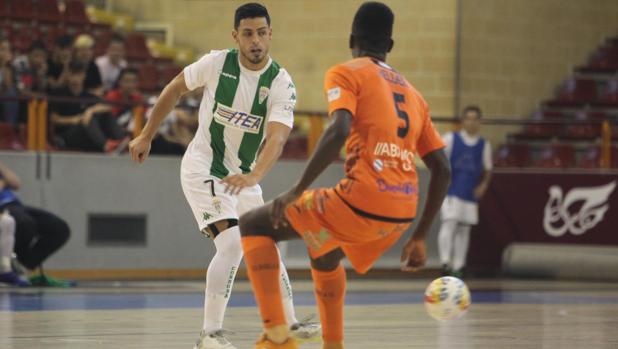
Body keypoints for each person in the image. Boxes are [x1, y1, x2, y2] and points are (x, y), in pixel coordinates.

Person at [237, 2, 451, 348]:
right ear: (390, 47)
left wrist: (297, 189)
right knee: (325, 250)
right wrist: (420, 236)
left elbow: (338, 131)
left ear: (351, 39)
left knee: (253, 224)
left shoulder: (346, 72)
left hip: (362, 200)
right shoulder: (415, 96)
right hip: (400, 215)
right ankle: (333, 344)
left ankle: (277, 335)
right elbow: (442, 168)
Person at [129, 3, 321, 349]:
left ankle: (289, 323)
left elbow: (277, 137)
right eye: (248, 34)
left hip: (243, 178)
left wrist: (255, 175)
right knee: (232, 245)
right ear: (236, 37)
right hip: (203, 168)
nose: (256, 41)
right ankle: (209, 335)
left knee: (267, 246)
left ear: (270, 34)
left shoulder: (280, 81)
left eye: (262, 33)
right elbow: (174, 88)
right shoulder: (217, 63)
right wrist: (146, 134)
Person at [438, 105, 492, 278]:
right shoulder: (451, 139)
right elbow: (436, 155)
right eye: (468, 118)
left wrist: (483, 185)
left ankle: (459, 266)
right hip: (451, 191)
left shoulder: (484, 145)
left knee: (464, 230)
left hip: (469, 193)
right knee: (449, 223)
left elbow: (488, 169)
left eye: (475, 119)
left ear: (480, 122)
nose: (471, 122)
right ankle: (445, 263)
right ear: (463, 121)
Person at [0, 162, 72, 287]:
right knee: (25, 223)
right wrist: (4, 183)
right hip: (2, 208)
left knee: (59, 228)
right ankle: (8, 265)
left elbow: (16, 183)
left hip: (15, 205)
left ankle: (22, 266)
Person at [49, 60, 128, 153]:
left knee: (103, 114)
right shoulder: (58, 93)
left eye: (79, 74)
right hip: (67, 134)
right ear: (68, 76)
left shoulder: (88, 96)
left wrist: (90, 111)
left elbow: (107, 106)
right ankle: (106, 145)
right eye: (72, 74)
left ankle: (122, 141)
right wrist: (76, 119)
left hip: (88, 134)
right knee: (89, 119)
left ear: (84, 76)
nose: (75, 78)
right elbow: (53, 119)